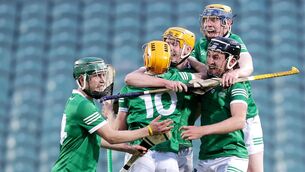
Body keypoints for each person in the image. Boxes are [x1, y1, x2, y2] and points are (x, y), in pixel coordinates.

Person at [51, 57, 173, 172]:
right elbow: (111, 137)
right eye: (96, 76)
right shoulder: (83, 106)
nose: (103, 80)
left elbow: (97, 139)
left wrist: (127, 148)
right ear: (82, 80)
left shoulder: (79, 101)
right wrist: (149, 130)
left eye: (103, 75)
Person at [189, 4, 263, 172]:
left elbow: (247, 66)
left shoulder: (235, 41)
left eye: (214, 20)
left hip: (246, 115)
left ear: (228, 23)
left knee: (255, 170)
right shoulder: (199, 44)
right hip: (217, 110)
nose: (208, 24)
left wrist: (235, 74)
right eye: (206, 19)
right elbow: (194, 69)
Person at [124, 27, 202, 172]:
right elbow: (129, 78)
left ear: (187, 49)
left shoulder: (184, 74)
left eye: (174, 43)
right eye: (167, 42)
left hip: (182, 143)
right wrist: (166, 83)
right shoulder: (171, 75)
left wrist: (191, 58)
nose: (169, 47)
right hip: (163, 145)